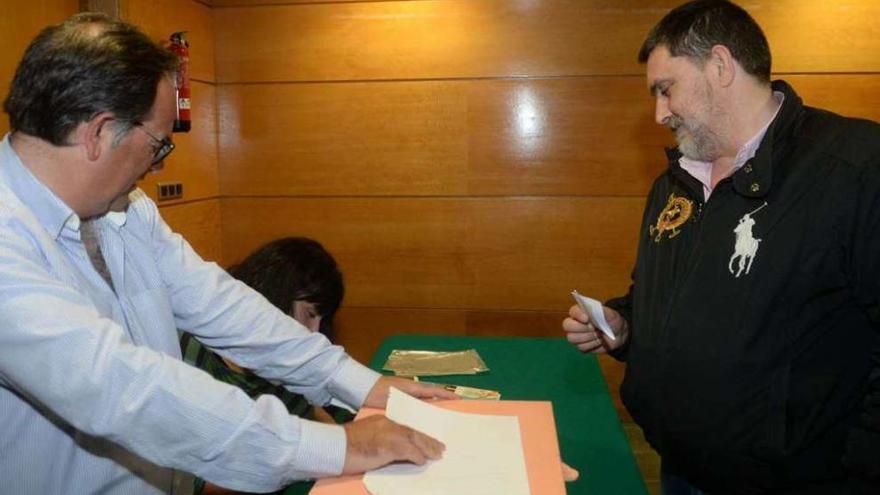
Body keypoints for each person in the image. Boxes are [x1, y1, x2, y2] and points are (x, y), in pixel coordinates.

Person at [0, 12, 455, 494]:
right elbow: (125, 388)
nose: (155, 168)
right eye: (158, 146)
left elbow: (220, 304)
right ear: (97, 133)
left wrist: (357, 384)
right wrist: (341, 446)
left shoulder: (128, 211)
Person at [562, 1, 880, 493]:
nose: (658, 113)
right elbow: (666, 298)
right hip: (679, 471)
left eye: (665, 90)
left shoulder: (857, 168)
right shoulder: (673, 185)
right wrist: (623, 326)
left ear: (720, 65)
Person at [180, 237, 351, 495]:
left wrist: (352, 447)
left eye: (321, 319)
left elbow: (308, 413)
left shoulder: (279, 366)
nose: (314, 332)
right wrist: (294, 463)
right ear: (275, 295)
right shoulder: (188, 352)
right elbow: (192, 484)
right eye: (310, 313)